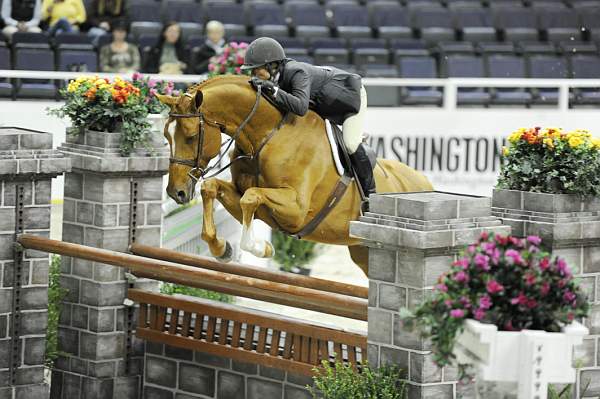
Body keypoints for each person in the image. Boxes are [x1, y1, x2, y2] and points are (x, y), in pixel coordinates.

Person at [241, 37, 375, 206]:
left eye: (256, 70)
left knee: (349, 144)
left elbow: (300, 107)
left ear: (271, 65)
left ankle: (371, 195)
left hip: (350, 98)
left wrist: (272, 90)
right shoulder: (275, 77)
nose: (253, 75)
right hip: (324, 104)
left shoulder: (296, 72)